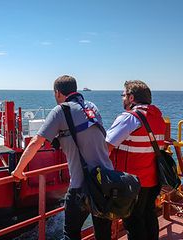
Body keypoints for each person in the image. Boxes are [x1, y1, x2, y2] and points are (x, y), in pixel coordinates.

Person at [12, 75, 113, 240]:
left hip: (81, 186)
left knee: (70, 233)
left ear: (58, 93)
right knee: (103, 234)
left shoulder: (61, 110)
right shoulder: (92, 107)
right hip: (106, 182)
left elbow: (36, 142)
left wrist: (18, 170)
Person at [106, 80, 166, 240]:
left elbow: (105, 147)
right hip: (152, 180)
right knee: (148, 216)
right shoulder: (158, 118)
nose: (122, 98)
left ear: (131, 98)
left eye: (123, 95)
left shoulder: (129, 118)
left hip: (132, 183)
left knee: (133, 223)